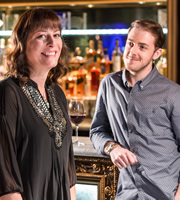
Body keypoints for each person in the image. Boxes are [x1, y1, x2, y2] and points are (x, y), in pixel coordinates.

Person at [90, 19, 180, 200]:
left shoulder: (172, 92)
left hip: (164, 195)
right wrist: (111, 147)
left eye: (142, 47)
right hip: (126, 194)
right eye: (130, 43)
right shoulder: (109, 84)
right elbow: (98, 130)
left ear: (156, 53)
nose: (132, 52)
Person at [0, 8, 76, 200]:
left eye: (56, 35)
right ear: (22, 43)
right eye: (42, 36)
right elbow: (4, 175)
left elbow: (69, 170)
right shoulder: (8, 92)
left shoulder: (57, 92)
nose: (52, 43)